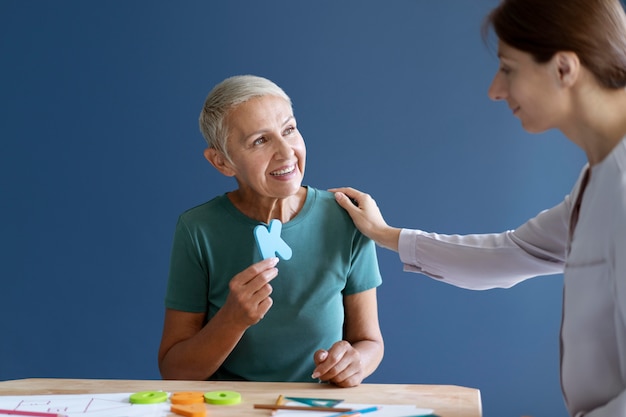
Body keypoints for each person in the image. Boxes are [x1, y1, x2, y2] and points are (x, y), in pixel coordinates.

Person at [331, 0, 626, 415]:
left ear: (563, 68)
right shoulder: (599, 179)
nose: (495, 89)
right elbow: (511, 254)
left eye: (508, 68)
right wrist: (384, 234)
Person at [158, 75, 384, 388]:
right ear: (222, 162)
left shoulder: (346, 218)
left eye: (289, 130)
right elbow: (174, 371)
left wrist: (355, 362)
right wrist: (232, 320)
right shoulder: (198, 230)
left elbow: (369, 341)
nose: (286, 151)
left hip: (318, 407)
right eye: (260, 141)